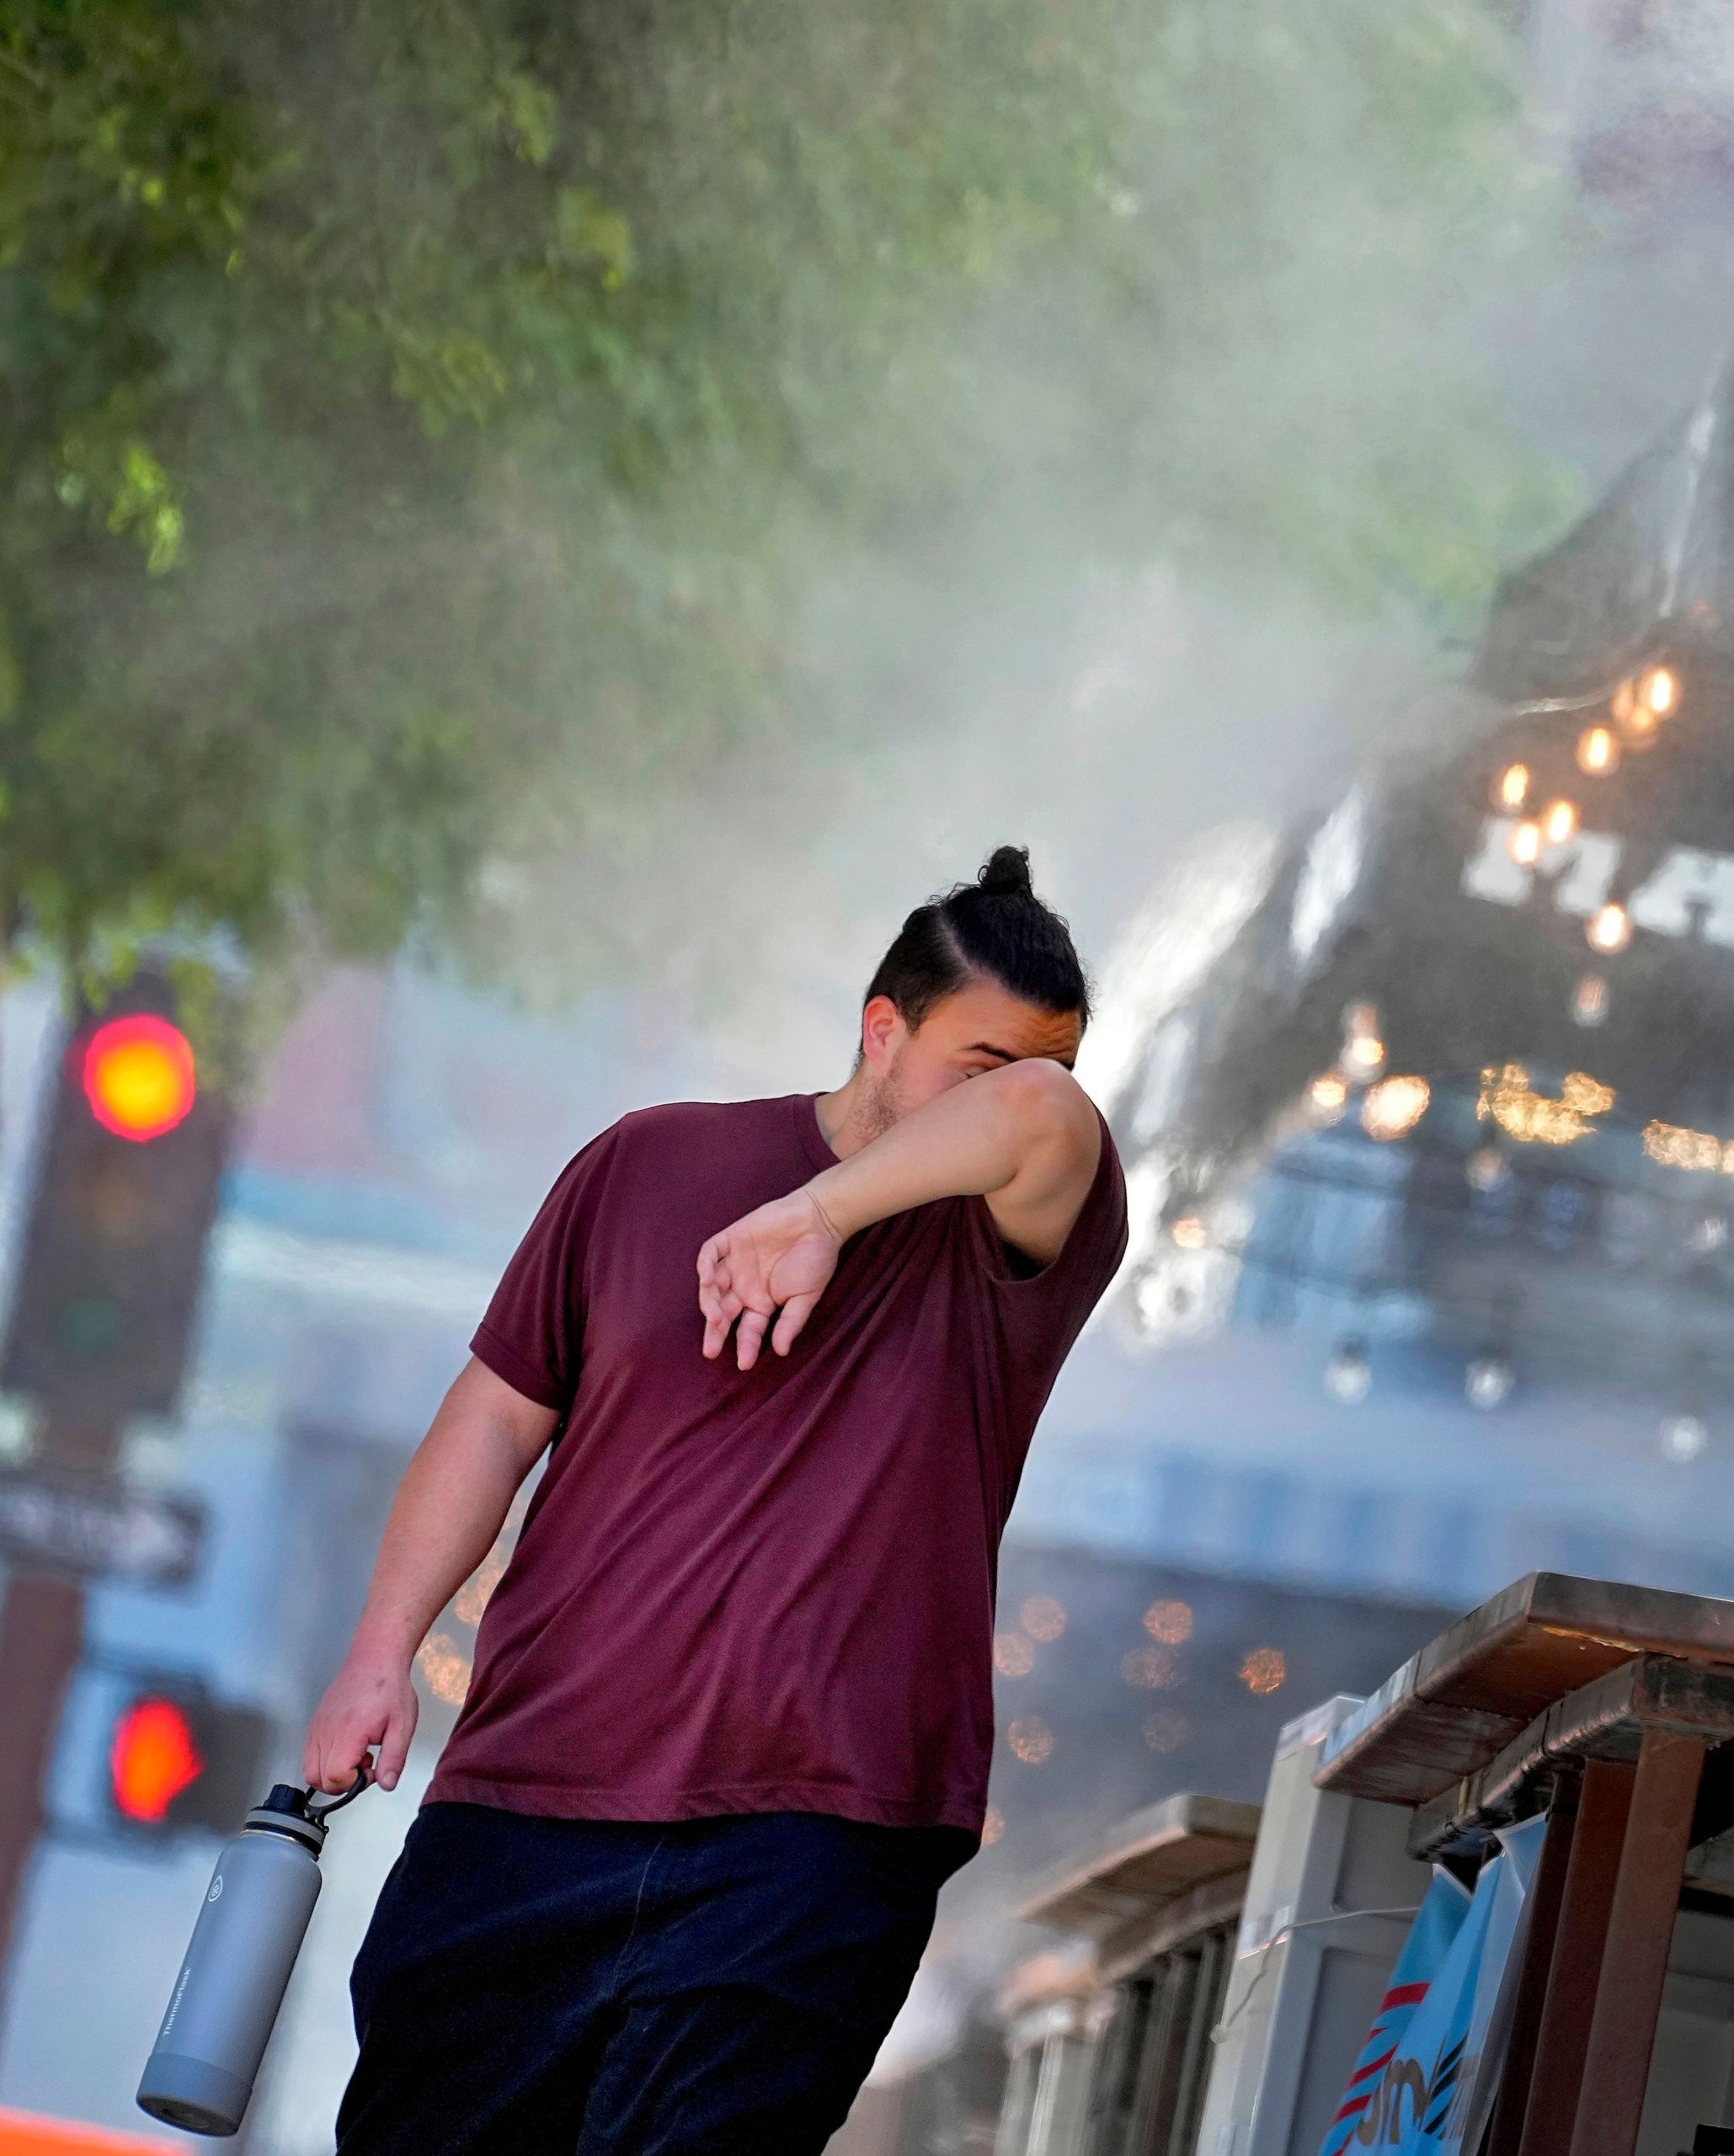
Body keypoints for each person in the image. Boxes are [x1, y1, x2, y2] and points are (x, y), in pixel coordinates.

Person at [304, 846, 1128, 2156]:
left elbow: (1048, 1119)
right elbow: (492, 1419)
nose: (1024, 1089)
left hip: (811, 1840)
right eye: (983, 1060)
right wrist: (377, 1655)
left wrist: (815, 1214)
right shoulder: (644, 1163)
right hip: (523, 1807)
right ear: (881, 1029)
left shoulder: (1015, 1230)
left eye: (1050, 1065)